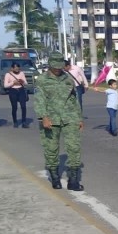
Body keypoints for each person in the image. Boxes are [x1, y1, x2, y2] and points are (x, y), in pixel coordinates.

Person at [34, 53, 84, 191]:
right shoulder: (42, 80)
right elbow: (39, 100)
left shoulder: (68, 79)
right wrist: (43, 117)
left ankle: (73, 180)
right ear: (50, 65)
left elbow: (75, 99)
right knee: (51, 149)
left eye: (59, 67)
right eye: (55, 67)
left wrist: (79, 118)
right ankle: (55, 178)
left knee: (74, 148)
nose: (57, 69)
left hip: (70, 117)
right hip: (50, 118)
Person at [3, 61, 29, 128]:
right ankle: (15, 122)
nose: (17, 70)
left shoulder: (22, 73)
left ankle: (24, 122)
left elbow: (26, 83)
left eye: (18, 68)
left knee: (23, 106)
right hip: (13, 91)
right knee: (14, 107)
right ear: (12, 68)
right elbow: (5, 85)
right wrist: (13, 82)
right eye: (15, 68)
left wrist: (22, 82)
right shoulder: (8, 74)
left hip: (21, 90)